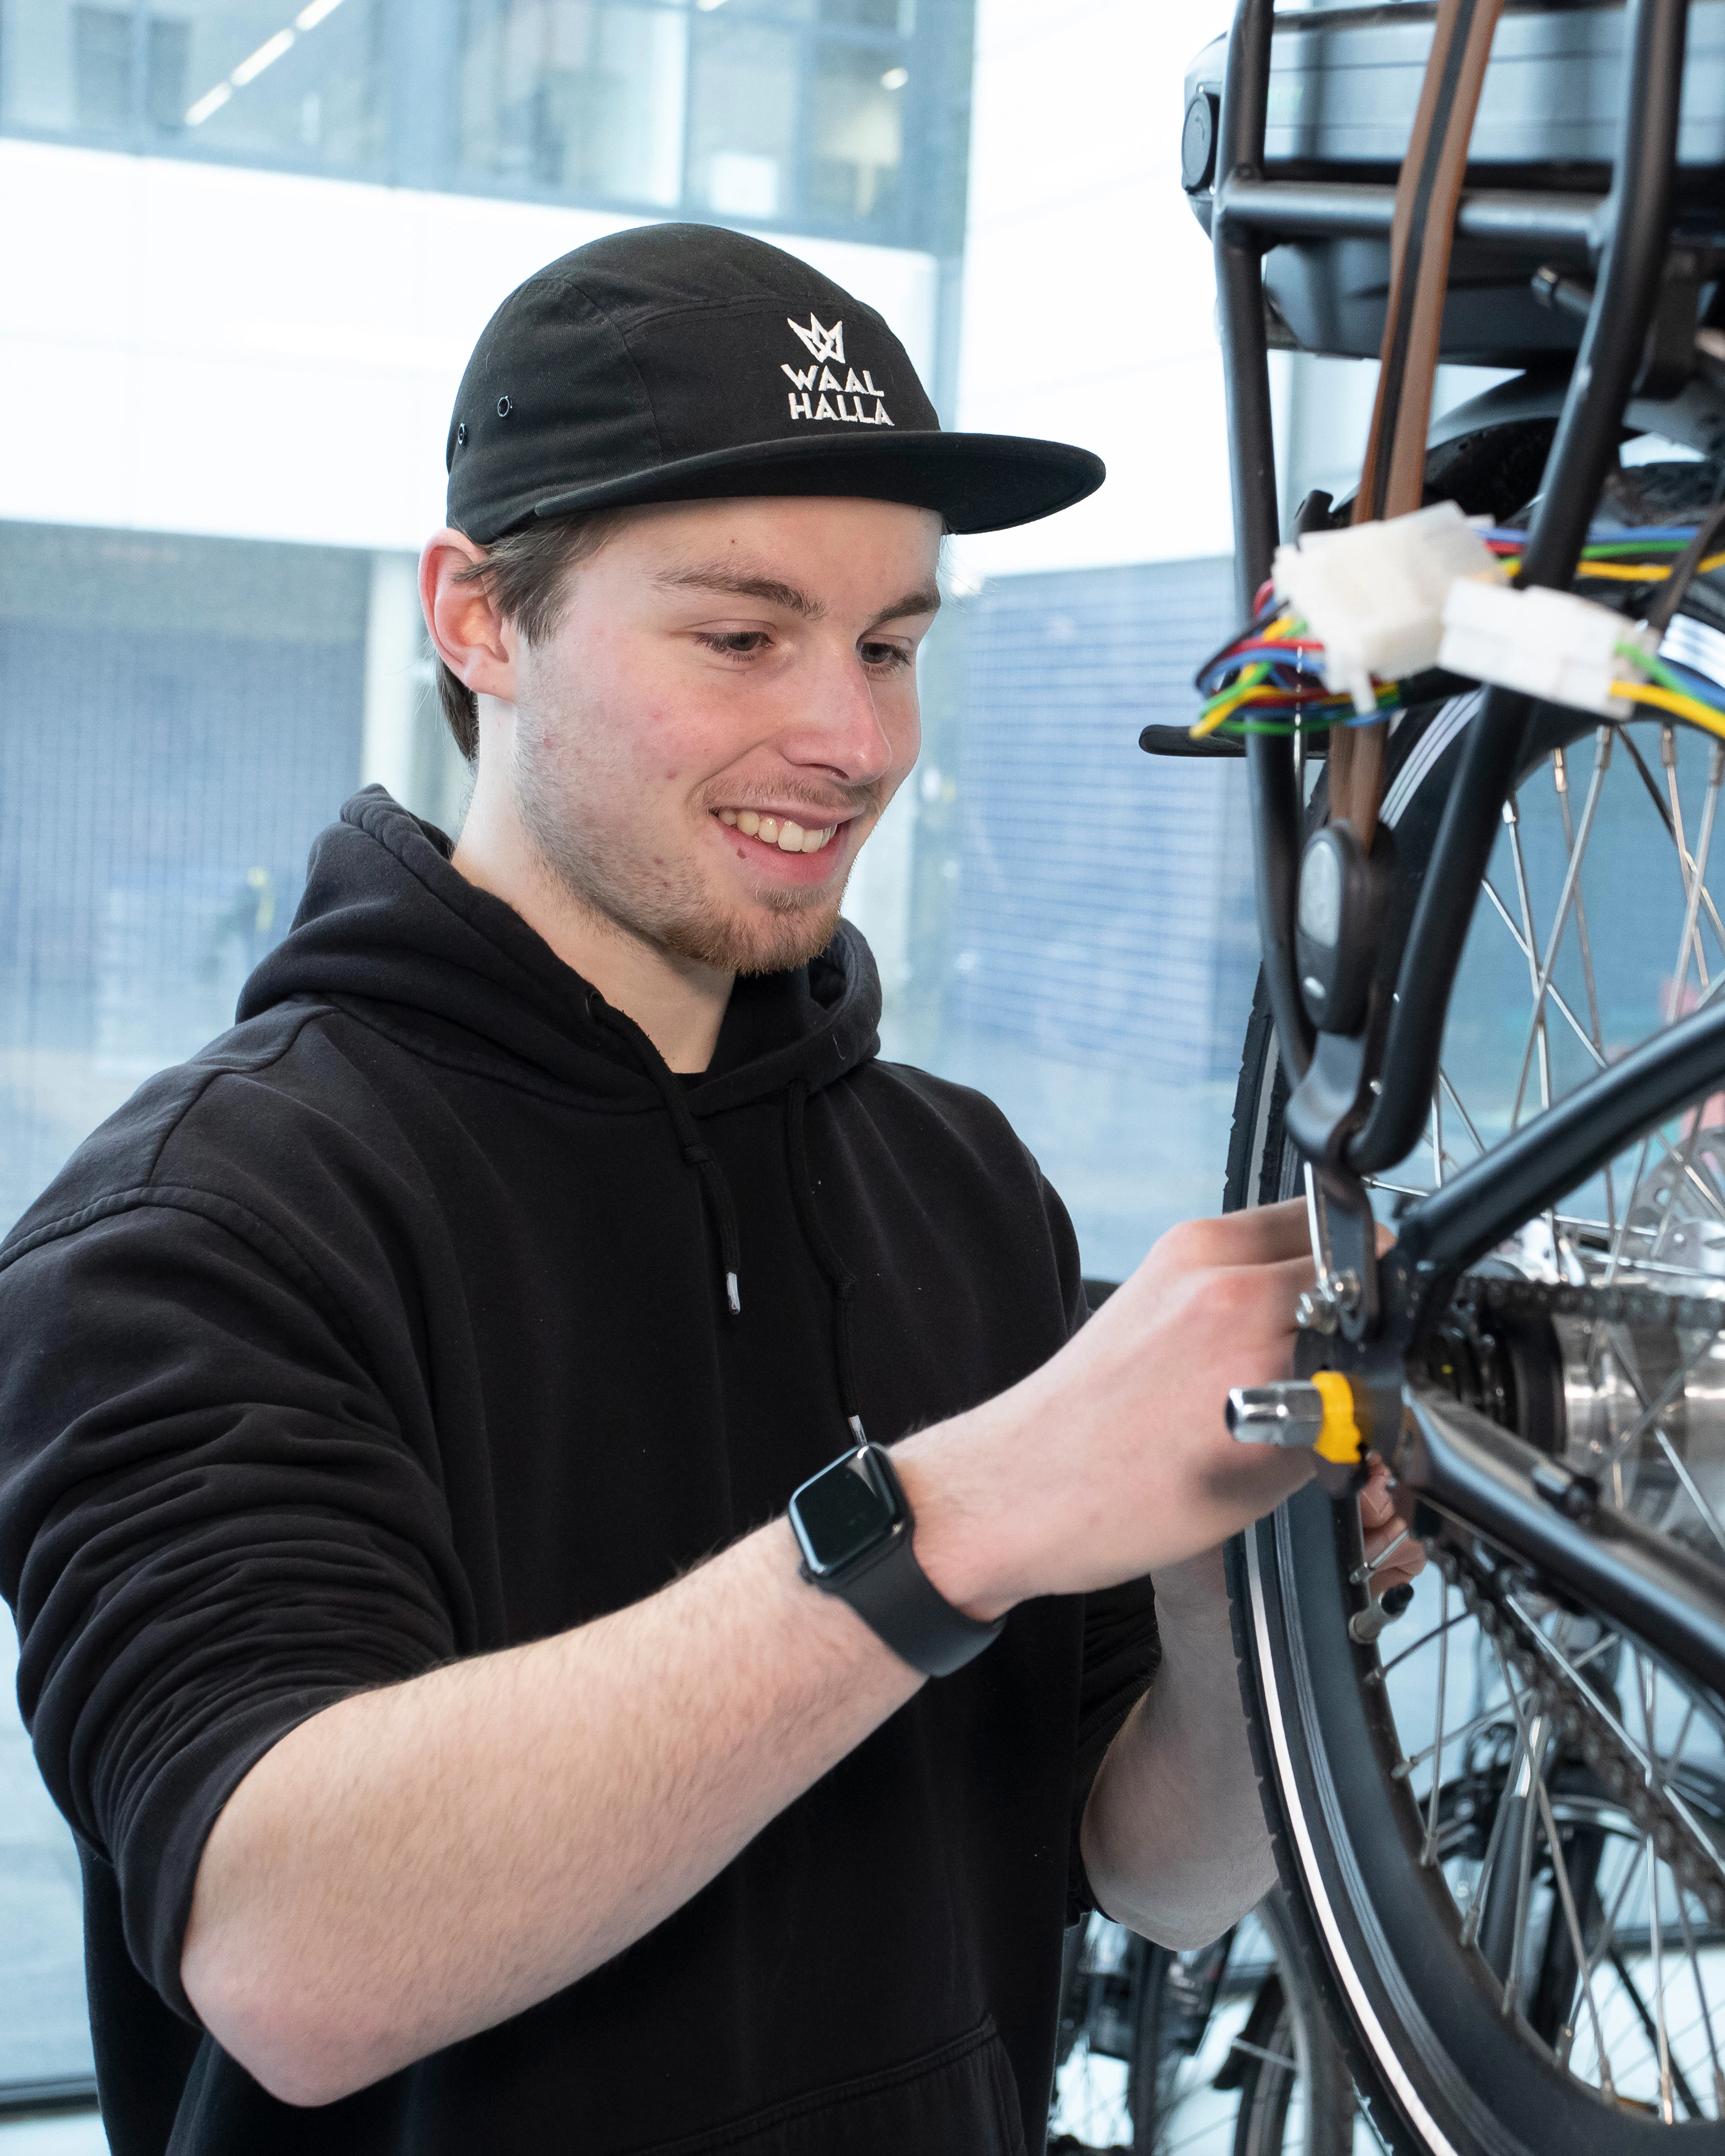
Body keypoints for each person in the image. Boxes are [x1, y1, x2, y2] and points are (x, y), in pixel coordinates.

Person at [0, 225, 1418, 2156]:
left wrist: (1230, 1580)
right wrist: (971, 1508)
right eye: (742, 636)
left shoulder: (958, 1179)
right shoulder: (203, 1223)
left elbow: (1148, 1871)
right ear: (478, 619)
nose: (850, 738)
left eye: (893, 645)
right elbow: (290, 1949)